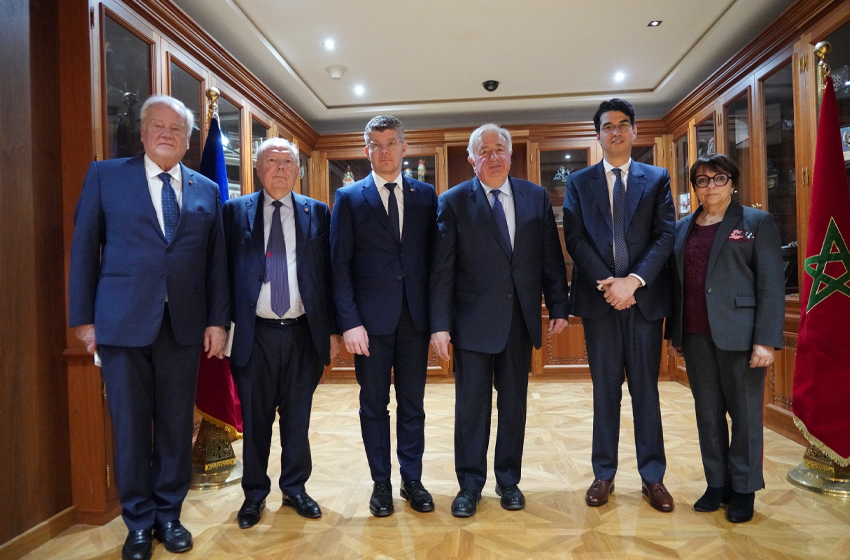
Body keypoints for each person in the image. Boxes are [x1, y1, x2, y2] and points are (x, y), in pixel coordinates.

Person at [68, 95, 229, 560]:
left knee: (177, 428)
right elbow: (83, 251)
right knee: (132, 428)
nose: (166, 134)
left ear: (188, 139)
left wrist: (218, 321)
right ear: (141, 133)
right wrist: (83, 320)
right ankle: (137, 521)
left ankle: (169, 515)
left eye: (176, 129)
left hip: (182, 327)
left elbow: (215, 265)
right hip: (120, 325)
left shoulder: (205, 189)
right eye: (157, 126)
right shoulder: (106, 177)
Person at [430, 123, 569, 517]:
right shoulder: (453, 201)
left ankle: (509, 481)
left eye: (500, 149)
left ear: (510, 155)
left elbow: (549, 258)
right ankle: (469, 486)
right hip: (471, 324)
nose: (493, 157)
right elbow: (442, 270)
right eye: (484, 151)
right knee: (471, 409)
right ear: (471, 160)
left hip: (518, 322)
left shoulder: (535, 196)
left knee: (513, 407)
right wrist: (439, 324)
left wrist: (558, 305)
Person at [562, 98, 676, 512]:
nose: (615, 131)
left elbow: (666, 235)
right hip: (600, 302)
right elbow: (574, 238)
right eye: (607, 126)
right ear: (598, 135)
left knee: (646, 391)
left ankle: (653, 478)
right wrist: (610, 286)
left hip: (644, 301)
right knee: (605, 391)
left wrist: (633, 282)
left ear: (633, 131)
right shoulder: (579, 183)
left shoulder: (657, 177)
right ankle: (603, 474)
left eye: (623, 124)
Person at [224, 138, 339, 528]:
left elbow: (330, 276)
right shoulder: (234, 212)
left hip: (303, 333)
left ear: (298, 171)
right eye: (271, 161)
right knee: (256, 422)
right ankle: (254, 495)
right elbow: (220, 274)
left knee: (297, 418)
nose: (279, 168)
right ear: (257, 168)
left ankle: (295, 488)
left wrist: (334, 331)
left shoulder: (318, 213)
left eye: (287, 162)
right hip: (253, 334)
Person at [330, 115, 438, 517]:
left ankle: (412, 480)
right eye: (376, 144)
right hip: (367, 327)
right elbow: (339, 265)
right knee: (373, 406)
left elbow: (435, 261)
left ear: (405, 147)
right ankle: (381, 483)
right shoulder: (350, 198)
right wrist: (349, 322)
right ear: (366, 150)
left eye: (392, 142)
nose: (385, 150)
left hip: (414, 320)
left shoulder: (426, 195)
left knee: (414, 405)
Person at [667, 154, 784, 523]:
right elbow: (677, 285)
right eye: (702, 181)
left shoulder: (756, 222)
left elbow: (771, 285)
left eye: (719, 179)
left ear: (732, 181)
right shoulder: (683, 227)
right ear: (695, 187)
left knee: (746, 416)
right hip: (697, 334)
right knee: (708, 414)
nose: (711, 187)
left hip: (742, 336)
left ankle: (744, 489)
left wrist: (766, 340)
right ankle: (717, 483)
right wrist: (676, 331)